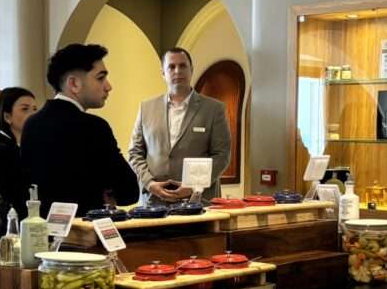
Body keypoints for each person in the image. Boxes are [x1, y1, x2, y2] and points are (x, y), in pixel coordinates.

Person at [22, 43, 139, 216]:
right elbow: (128, 190)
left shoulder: (31, 124)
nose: (108, 86)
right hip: (85, 226)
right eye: (100, 78)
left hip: (43, 227)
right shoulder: (94, 127)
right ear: (74, 83)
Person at [128, 47, 232, 203]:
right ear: (163, 73)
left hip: (198, 201)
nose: (177, 71)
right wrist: (149, 183)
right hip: (153, 201)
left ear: (191, 70)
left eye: (183, 66)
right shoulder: (146, 108)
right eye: (171, 67)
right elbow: (134, 153)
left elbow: (221, 156)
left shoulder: (214, 109)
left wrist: (193, 186)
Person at [0, 87, 36, 218]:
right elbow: (11, 198)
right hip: (5, 223)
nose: (33, 114)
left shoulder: (18, 146)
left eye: (34, 109)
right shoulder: (0, 151)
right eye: (25, 109)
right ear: (7, 117)